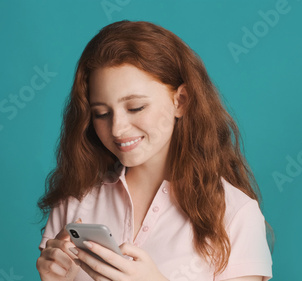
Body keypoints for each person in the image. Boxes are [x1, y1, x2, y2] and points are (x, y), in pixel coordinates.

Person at [36, 20, 273, 281]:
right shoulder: (75, 200)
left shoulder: (235, 214)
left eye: (136, 107)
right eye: (101, 113)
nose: (117, 128)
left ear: (180, 102)